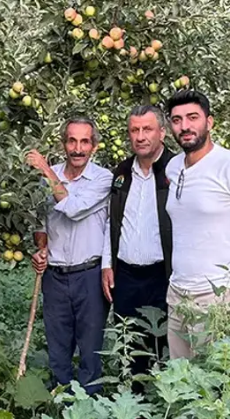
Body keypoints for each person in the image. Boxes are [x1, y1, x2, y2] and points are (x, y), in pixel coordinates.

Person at [26, 117, 112, 395]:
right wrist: (42, 248)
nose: (77, 148)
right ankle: (60, 402)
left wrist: (46, 170)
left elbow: (72, 207)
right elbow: (41, 223)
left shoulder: (102, 179)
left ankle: (90, 406)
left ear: (94, 146)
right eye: (72, 141)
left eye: (84, 141)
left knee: (90, 348)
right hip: (55, 276)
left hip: (89, 274)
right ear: (64, 144)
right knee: (58, 347)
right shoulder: (46, 181)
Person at [101, 105, 175, 386]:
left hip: (163, 275)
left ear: (162, 132)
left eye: (147, 129)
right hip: (127, 276)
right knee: (129, 349)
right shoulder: (121, 174)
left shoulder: (176, 170)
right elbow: (112, 222)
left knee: (164, 347)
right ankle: (133, 406)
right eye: (135, 130)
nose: (140, 136)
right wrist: (108, 264)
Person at [163, 90, 230, 359]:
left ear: (209, 122)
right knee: (180, 382)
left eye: (193, 117)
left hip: (216, 296)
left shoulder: (225, 164)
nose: (185, 126)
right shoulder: (173, 167)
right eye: (177, 120)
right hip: (178, 293)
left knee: (213, 386)